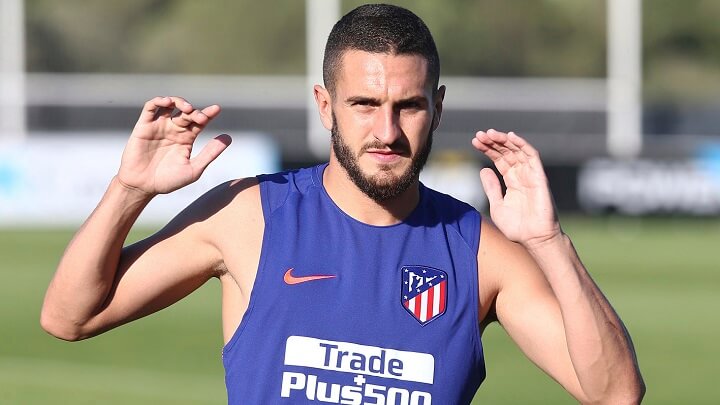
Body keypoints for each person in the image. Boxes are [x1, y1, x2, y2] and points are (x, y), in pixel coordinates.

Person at [41, 4, 644, 404]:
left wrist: (547, 243)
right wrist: (130, 191)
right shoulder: (251, 215)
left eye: (408, 106)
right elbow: (69, 318)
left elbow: (615, 394)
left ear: (438, 107)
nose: (387, 131)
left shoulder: (480, 250)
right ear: (326, 106)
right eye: (363, 104)